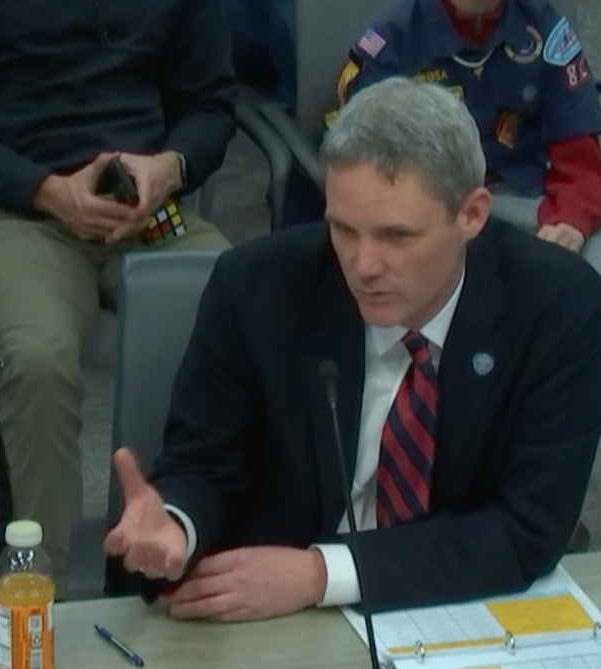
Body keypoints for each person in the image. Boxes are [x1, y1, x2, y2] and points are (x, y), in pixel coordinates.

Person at [105, 78, 601, 618]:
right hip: (277, 618)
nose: (363, 266)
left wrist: (324, 573)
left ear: (472, 216)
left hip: (455, 608)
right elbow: (205, 467)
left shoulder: (557, 305)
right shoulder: (255, 287)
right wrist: (177, 522)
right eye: (344, 229)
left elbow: (527, 527)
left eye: (397, 236)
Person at [0, 0, 238, 592]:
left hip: (147, 207)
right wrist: (46, 191)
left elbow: (211, 104)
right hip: (16, 207)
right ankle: (38, 588)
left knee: (246, 316)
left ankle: (208, 553)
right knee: (36, 359)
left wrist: (171, 168)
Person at [334, 0, 601, 268]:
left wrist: (570, 217)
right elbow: (364, 168)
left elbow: (580, 155)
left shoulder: (543, 27)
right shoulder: (391, 42)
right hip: (432, 209)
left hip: (529, 202)